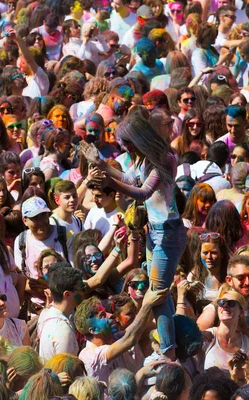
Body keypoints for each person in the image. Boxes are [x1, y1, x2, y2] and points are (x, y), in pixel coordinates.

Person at [80, 115, 185, 360]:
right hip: (155, 231)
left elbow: (143, 192)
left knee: (156, 295)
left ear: (139, 138)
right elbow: (130, 178)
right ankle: (171, 344)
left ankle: (169, 353)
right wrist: (102, 164)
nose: (124, 147)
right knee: (159, 291)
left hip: (168, 232)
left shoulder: (164, 159)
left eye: (126, 142)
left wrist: (110, 182)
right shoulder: (142, 159)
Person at [74, 286, 167, 383]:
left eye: (106, 312)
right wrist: (147, 305)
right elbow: (130, 339)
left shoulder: (112, 338)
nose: (110, 315)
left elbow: (135, 330)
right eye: (102, 315)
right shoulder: (90, 355)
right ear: (93, 330)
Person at [38, 267, 84, 362]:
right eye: (81, 288)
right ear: (67, 294)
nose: (85, 292)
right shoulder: (63, 330)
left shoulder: (45, 313)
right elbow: (65, 370)